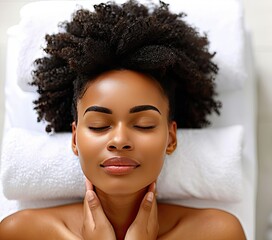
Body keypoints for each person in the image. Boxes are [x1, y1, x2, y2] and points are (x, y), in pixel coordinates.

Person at [0, 1, 246, 239]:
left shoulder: (218, 233)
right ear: (75, 138)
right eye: (99, 125)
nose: (119, 140)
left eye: (143, 125)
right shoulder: (21, 232)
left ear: (171, 137)